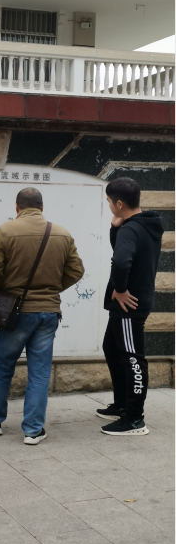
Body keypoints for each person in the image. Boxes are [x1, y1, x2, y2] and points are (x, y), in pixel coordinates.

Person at [0, 187, 84, 444]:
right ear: (42, 208)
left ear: (17, 207)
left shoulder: (6, 231)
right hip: (49, 313)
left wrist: (2, 292)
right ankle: (33, 430)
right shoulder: (62, 233)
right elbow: (76, 271)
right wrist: (52, 290)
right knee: (40, 372)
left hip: (16, 313)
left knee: (2, 367)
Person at [97, 177, 163, 436]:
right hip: (135, 302)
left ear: (119, 204)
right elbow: (127, 252)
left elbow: (122, 261)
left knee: (133, 359)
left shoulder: (131, 229)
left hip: (128, 306)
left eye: (109, 201)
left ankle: (135, 419)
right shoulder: (146, 224)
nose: (108, 205)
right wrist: (116, 228)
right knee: (112, 349)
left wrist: (120, 289)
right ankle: (123, 404)